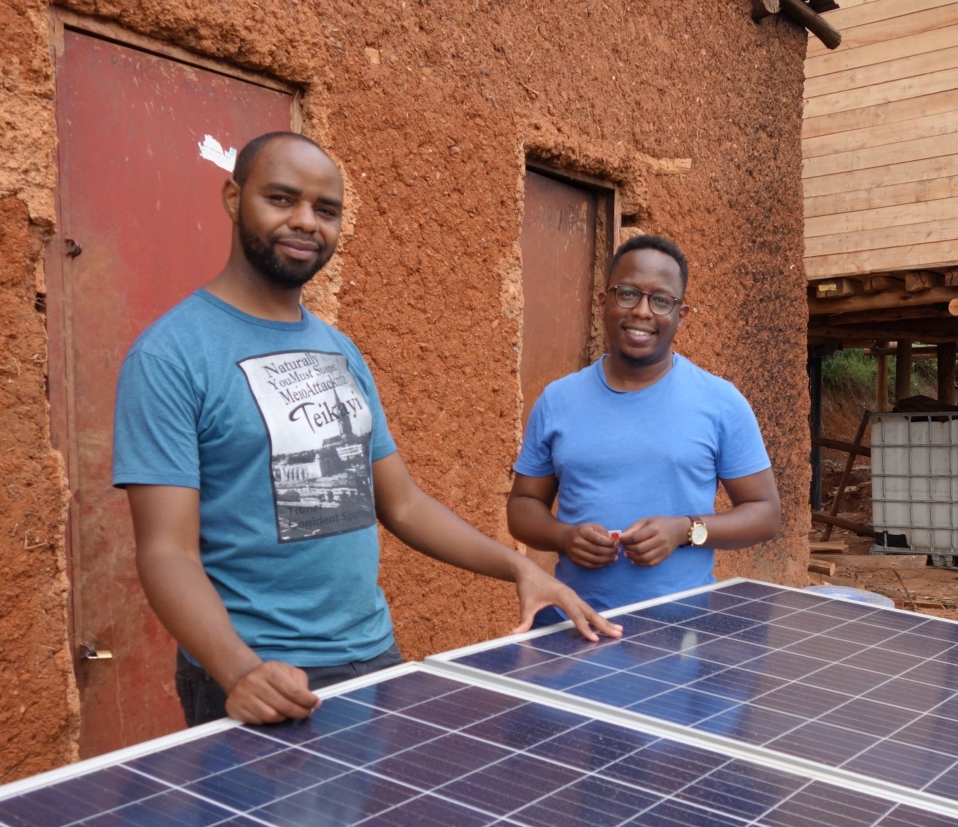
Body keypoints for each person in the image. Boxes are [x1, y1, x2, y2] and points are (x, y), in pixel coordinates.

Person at [113, 132, 618, 727]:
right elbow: (166, 550)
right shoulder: (171, 355)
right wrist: (237, 671)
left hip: (373, 656)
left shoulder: (338, 350)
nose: (305, 222)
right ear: (233, 198)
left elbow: (401, 503)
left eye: (326, 210)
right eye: (281, 199)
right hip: (267, 676)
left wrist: (520, 568)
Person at [507, 234, 780, 616]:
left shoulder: (721, 402)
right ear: (603, 303)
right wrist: (565, 537)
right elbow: (522, 506)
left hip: (681, 627)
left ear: (680, 315)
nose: (642, 311)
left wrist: (685, 531)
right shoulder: (558, 400)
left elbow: (765, 512)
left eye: (661, 300)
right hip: (571, 624)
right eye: (628, 293)